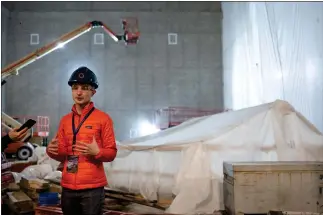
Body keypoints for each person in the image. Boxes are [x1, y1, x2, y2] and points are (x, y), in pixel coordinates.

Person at [46, 66, 117, 215]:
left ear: (93, 92)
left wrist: (97, 152)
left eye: (84, 88)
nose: (79, 92)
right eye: (75, 87)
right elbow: (63, 155)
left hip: (92, 189)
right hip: (68, 186)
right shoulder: (65, 120)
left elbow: (111, 153)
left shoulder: (103, 119)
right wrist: (51, 151)